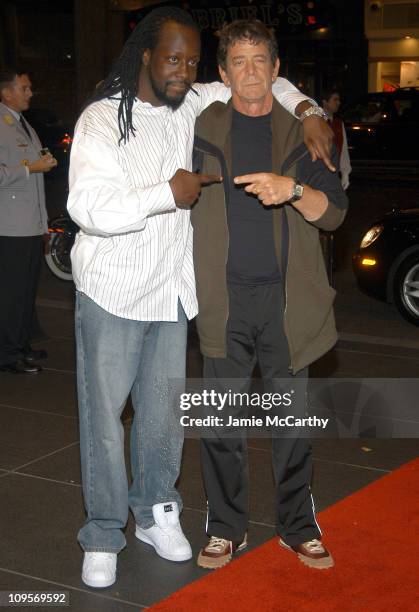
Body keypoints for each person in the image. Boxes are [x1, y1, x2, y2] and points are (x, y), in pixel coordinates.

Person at [67, 6, 335, 589]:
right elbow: (85, 208)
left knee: (163, 419)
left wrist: (310, 109)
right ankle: (104, 531)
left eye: (191, 61)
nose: (182, 70)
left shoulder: (190, 103)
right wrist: (165, 194)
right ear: (145, 55)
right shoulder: (99, 120)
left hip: (170, 294)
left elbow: (261, 75)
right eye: (172, 57)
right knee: (106, 421)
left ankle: (157, 510)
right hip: (113, 291)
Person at [190, 20, 348, 570]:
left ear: (277, 70)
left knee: (292, 426)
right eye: (239, 60)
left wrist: (294, 190)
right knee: (220, 424)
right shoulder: (202, 123)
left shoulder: (303, 131)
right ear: (222, 72)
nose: (251, 70)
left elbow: (335, 215)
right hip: (222, 299)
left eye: (260, 59)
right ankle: (224, 528)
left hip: (287, 303)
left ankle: (298, 526)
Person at [0, 68, 57, 375]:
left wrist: (44, 224)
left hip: (29, 225)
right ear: (6, 92)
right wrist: (30, 168)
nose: (30, 92)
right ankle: (7, 354)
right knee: (10, 293)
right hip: (8, 227)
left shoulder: (22, 124)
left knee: (24, 291)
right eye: (24, 87)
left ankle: (21, 345)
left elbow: (35, 175)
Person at [322, 88, 351, 190]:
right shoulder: (317, 121)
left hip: (334, 173)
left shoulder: (338, 124)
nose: (338, 103)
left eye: (339, 100)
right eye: (335, 100)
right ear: (325, 102)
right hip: (319, 173)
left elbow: (343, 150)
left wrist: (345, 172)